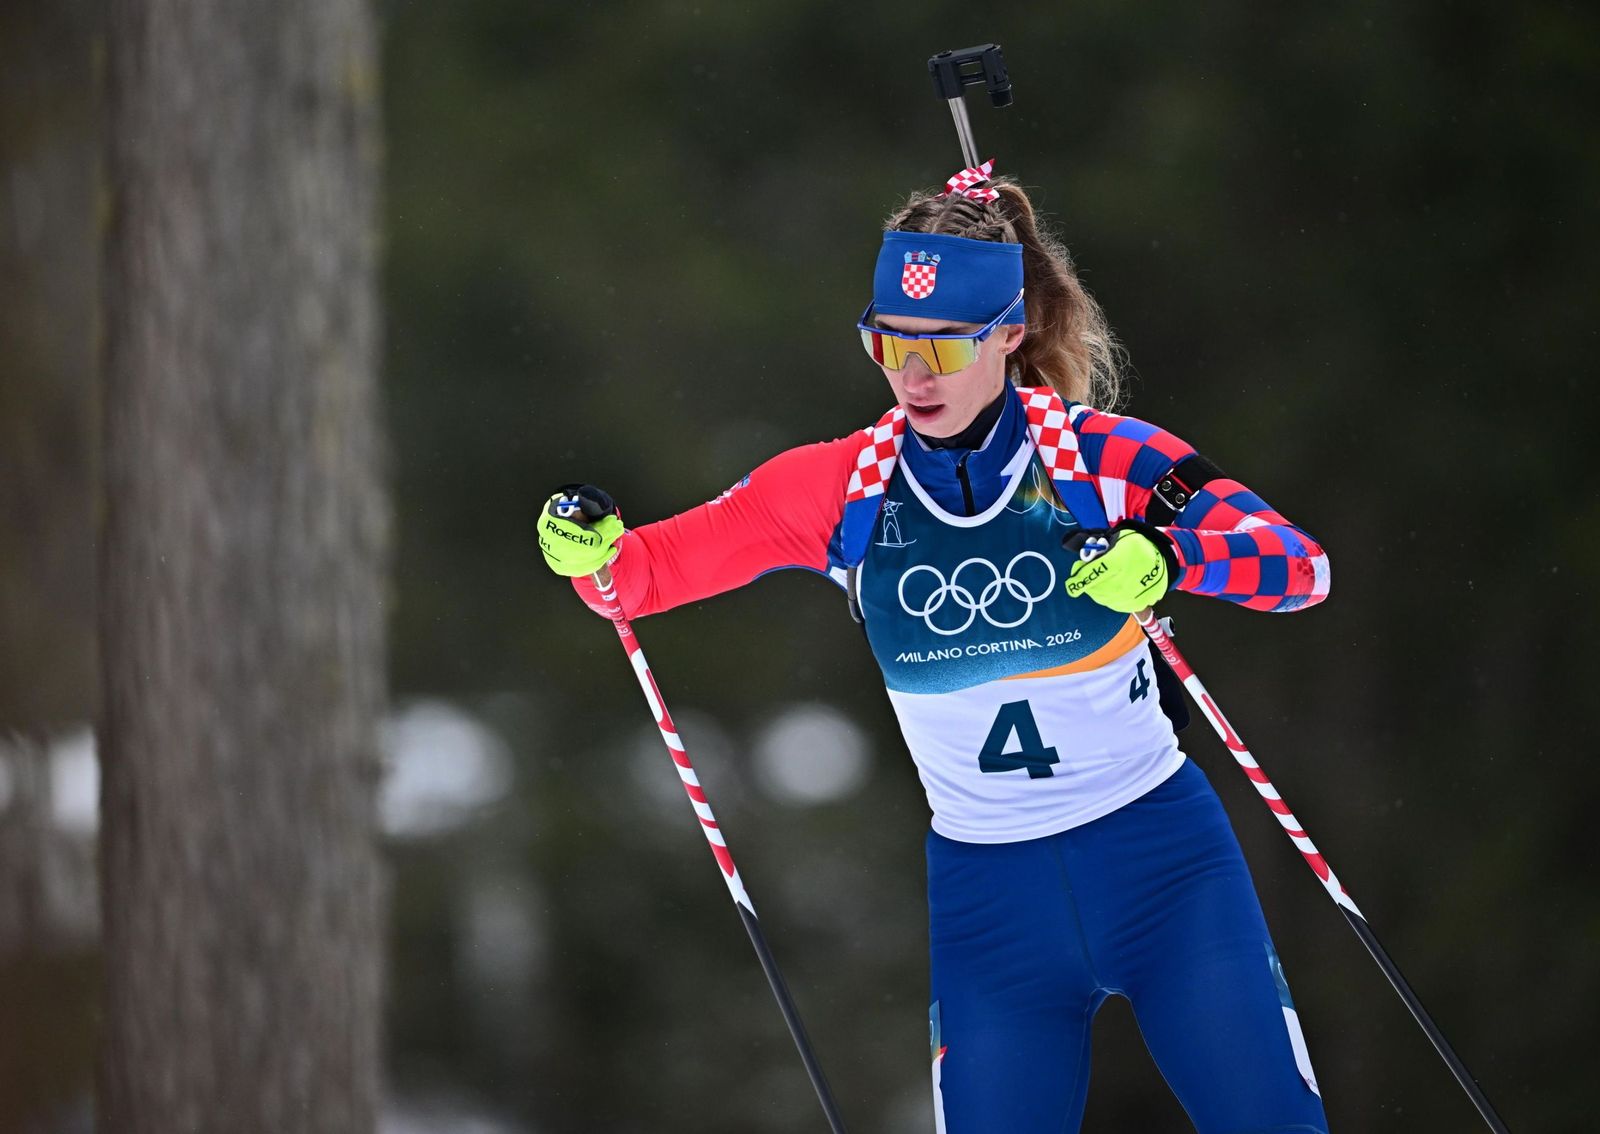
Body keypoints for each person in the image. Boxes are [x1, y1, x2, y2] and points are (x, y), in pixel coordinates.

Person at [538, 162, 1332, 1134]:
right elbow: (637, 580)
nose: (914, 377)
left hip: (1165, 867)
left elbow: (1299, 568)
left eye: (946, 347)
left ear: (1008, 332)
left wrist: (1170, 559)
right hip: (992, 902)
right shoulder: (842, 489)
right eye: (890, 343)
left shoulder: (1102, 459)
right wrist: (587, 552)